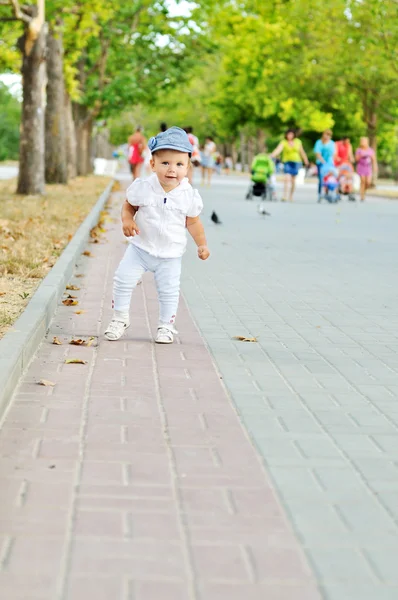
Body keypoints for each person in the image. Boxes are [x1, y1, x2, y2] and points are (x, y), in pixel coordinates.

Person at [105, 127, 210, 344]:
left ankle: (166, 326)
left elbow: (193, 222)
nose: (172, 169)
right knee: (123, 280)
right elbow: (129, 206)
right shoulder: (143, 187)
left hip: (170, 255)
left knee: (169, 291)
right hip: (140, 248)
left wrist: (202, 244)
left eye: (179, 164)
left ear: (187, 166)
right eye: (165, 163)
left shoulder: (188, 195)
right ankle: (120, 318)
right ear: (152, 164)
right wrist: (127, 220)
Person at [270, 129, 308, 202]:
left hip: (296, 162)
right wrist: (272, 155)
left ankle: (291, 196)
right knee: (287, 178)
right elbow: (278, 149)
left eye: (291, 134)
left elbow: (302, 152)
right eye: (288, 134)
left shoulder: (298, 141)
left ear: (293, 135)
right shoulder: (284, 142)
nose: (289, 136)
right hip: (287, 161)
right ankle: (285, 196)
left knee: (293, 180)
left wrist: (305, 160)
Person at [314, 130, 335, 202]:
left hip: (329, 163)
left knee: (329, 178)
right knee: (321, 178)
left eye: (329, 135)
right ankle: (320, 193)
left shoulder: (331, 143)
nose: (327, 136)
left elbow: (332, 154)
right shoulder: (319, 142)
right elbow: (317, 153)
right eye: (326, 134)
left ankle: (328, 193)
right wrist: (323, 162)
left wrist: (330, 163)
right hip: (321, 163)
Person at [355, 136, 377, 202]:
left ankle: (364, 191)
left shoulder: (370, 150)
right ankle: (362, 196)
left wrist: (375, 167)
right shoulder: (358, 150)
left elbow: (374, 160)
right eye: (362, 141)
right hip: (361, 167)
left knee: (368, 182)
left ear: (367, 142)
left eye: (364, 141)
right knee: (363, 181)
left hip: (368, 167)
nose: (363, 142)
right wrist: (361, 155)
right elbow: (356, 159)